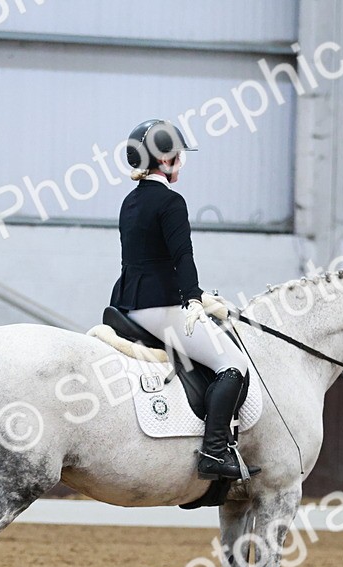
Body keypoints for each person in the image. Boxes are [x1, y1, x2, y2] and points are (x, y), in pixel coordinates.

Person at [109, 119, 260, 482]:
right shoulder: (171, 201)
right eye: (176, 154)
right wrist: (192, 299)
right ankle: (213, 451)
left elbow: (151, 259)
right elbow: (181, 256)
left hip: (128, 303)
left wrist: (202, 294)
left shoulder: (130, 201)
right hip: (161, 307)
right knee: (233, 365)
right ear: (166, 159)